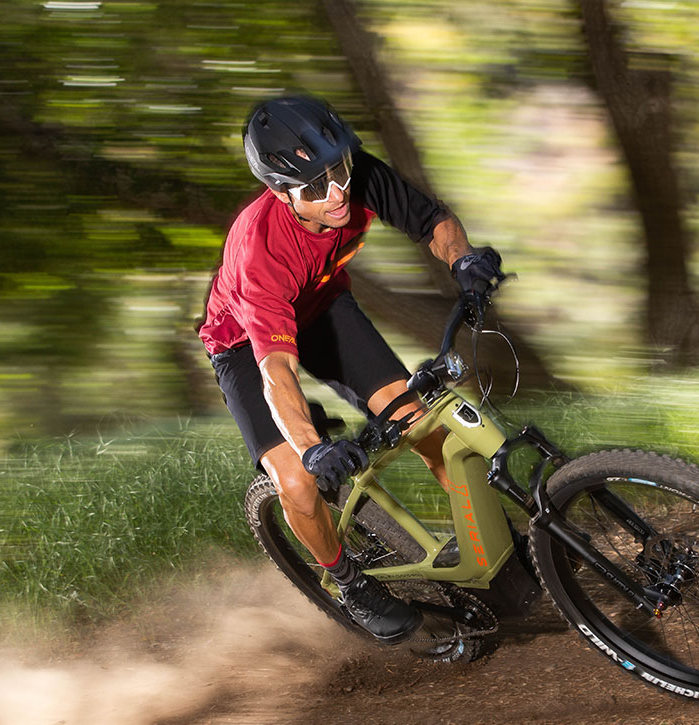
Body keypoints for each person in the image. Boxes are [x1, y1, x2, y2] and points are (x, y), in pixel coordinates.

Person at [198, 95, 504, 644]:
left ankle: (490, 543)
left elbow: (433, 222)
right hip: (246, 344)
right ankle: (347, 581)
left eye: (336, 172)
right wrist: (311, 447)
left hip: (322, 308)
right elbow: (277, 373)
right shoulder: (260, 252)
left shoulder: (353, 174)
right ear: (282, 193)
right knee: (295, 478)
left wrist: (463, 259)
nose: (335, 193)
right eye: (314, 188)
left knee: (420, 420)